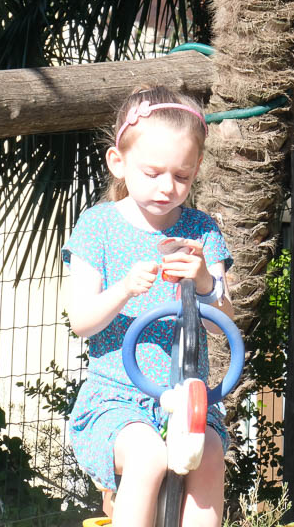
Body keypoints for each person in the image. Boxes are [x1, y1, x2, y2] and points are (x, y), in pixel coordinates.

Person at [63, 85, 234, 527]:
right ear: (118, 162)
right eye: (153, 173)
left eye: (182, 176)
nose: (167, 187)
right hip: (115, 399)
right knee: (149, 456)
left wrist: (203, 281)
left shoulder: (201, 231)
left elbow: (224, 326)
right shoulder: (98, 226)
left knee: (209, 455)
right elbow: (81, 321)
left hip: (187, 397)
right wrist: (123, 289)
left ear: (197, 169)